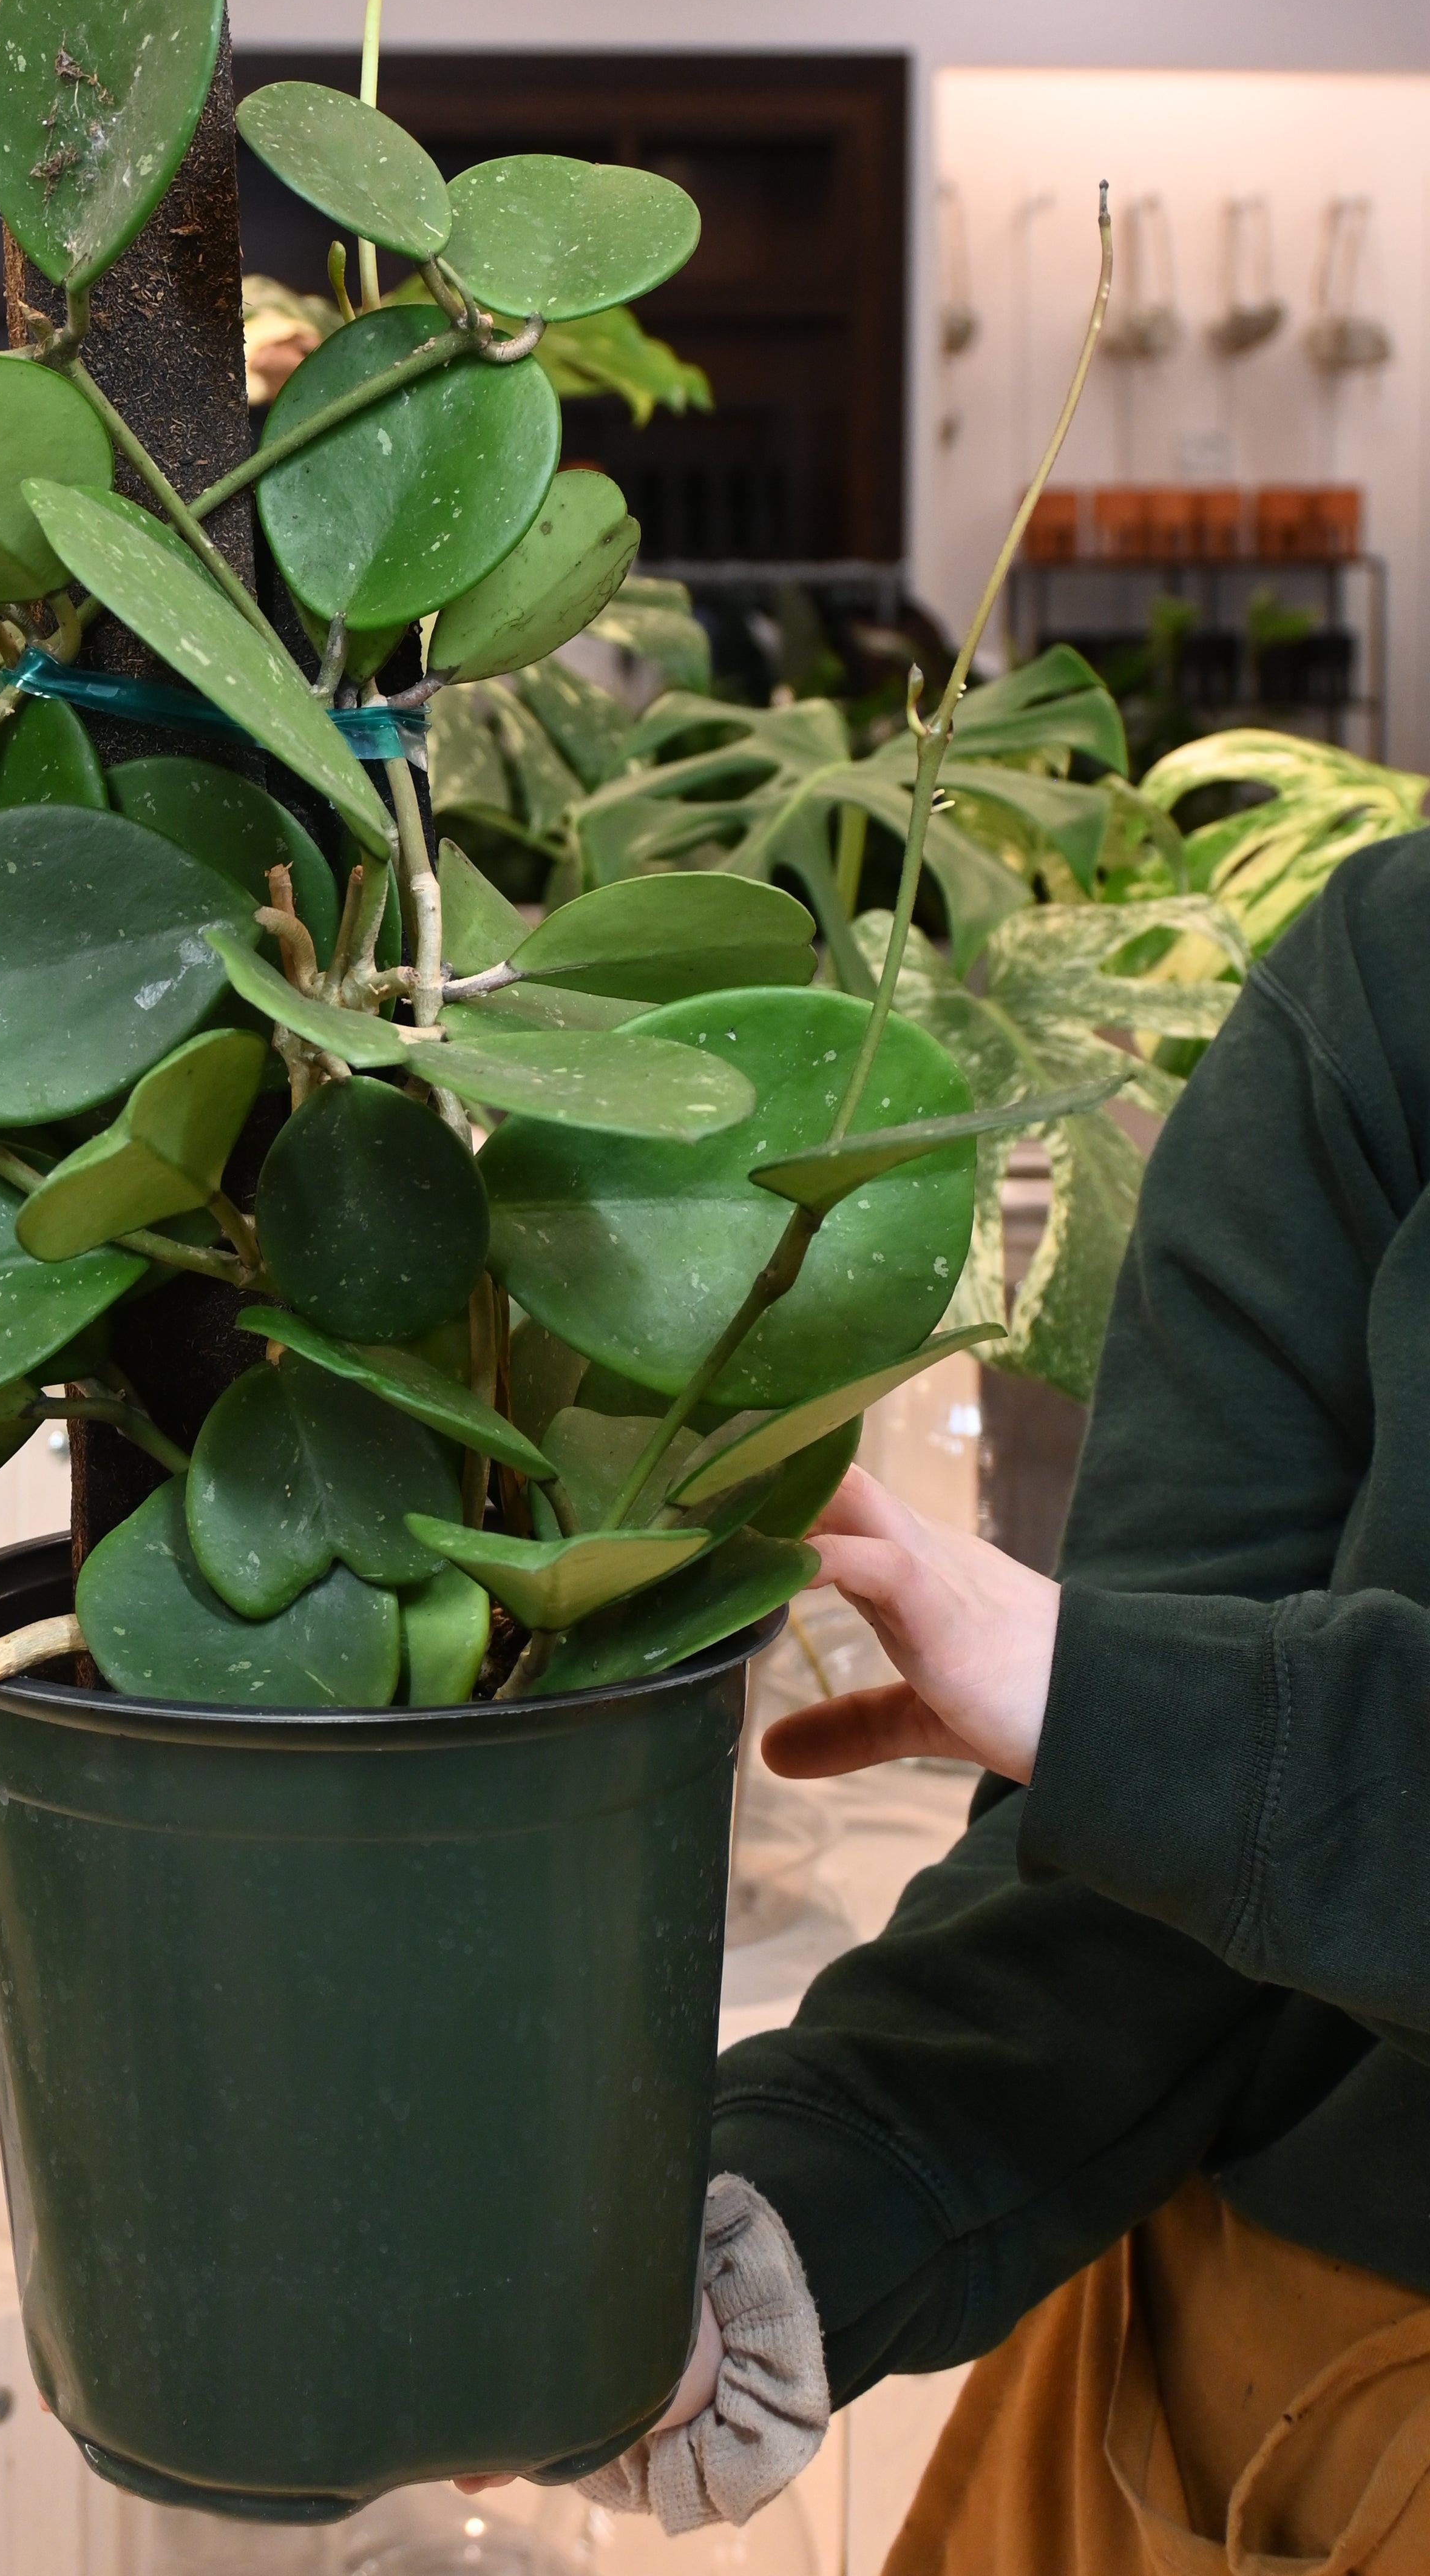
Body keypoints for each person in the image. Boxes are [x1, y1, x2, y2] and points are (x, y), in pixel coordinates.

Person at [564, 828, 1430, 2568]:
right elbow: (1153, 1894)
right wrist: (768, 2239)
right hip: (1302, 2390)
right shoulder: (1391, 978)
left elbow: (1171, 1741)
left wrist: (1142, 1714)